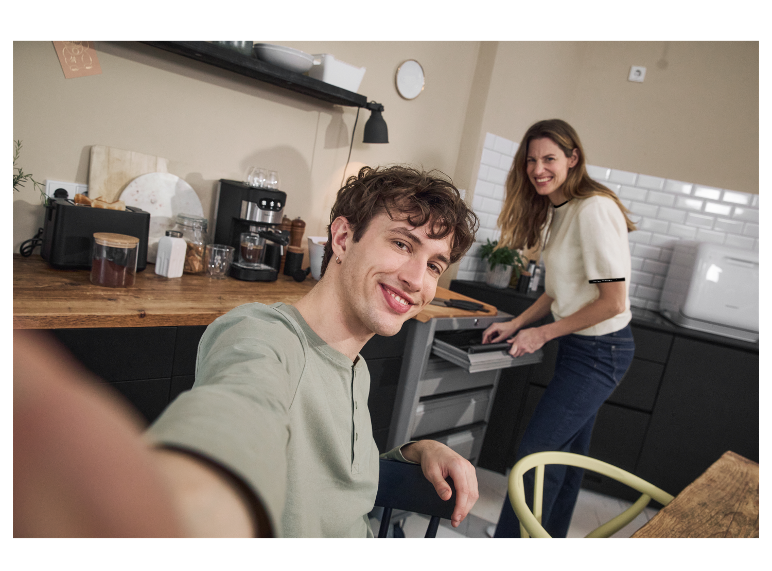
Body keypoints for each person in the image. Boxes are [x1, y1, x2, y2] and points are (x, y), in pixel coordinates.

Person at [13, 165, 481, 539]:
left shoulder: (353, 366)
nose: (418, 279)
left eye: (434, 264)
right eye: (402, 243)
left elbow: (326, 481)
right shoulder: (263, 337)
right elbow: (239, 416)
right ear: (342, 238)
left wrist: (416, 451)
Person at [482, 119, 637, 539]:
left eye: (549, 158)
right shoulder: (560, 209)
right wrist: (516, 323)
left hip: (602, 352)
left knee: (535, 457)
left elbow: (612, 302)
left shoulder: (594, 209)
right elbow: (560, 291)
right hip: (580, 348)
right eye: (531, 160)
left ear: (573, 158)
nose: (538, 169)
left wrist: (543, 334)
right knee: (564, 462)